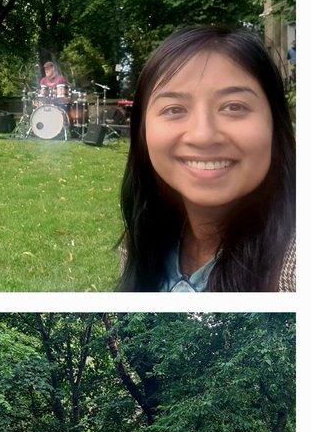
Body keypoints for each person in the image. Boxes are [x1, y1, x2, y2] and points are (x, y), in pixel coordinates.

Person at [118, 26, 296, 292]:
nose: (203, 135)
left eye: (234, 107)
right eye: (174, 109)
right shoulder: (142, 239)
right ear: (142, 132)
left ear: (275, 124)